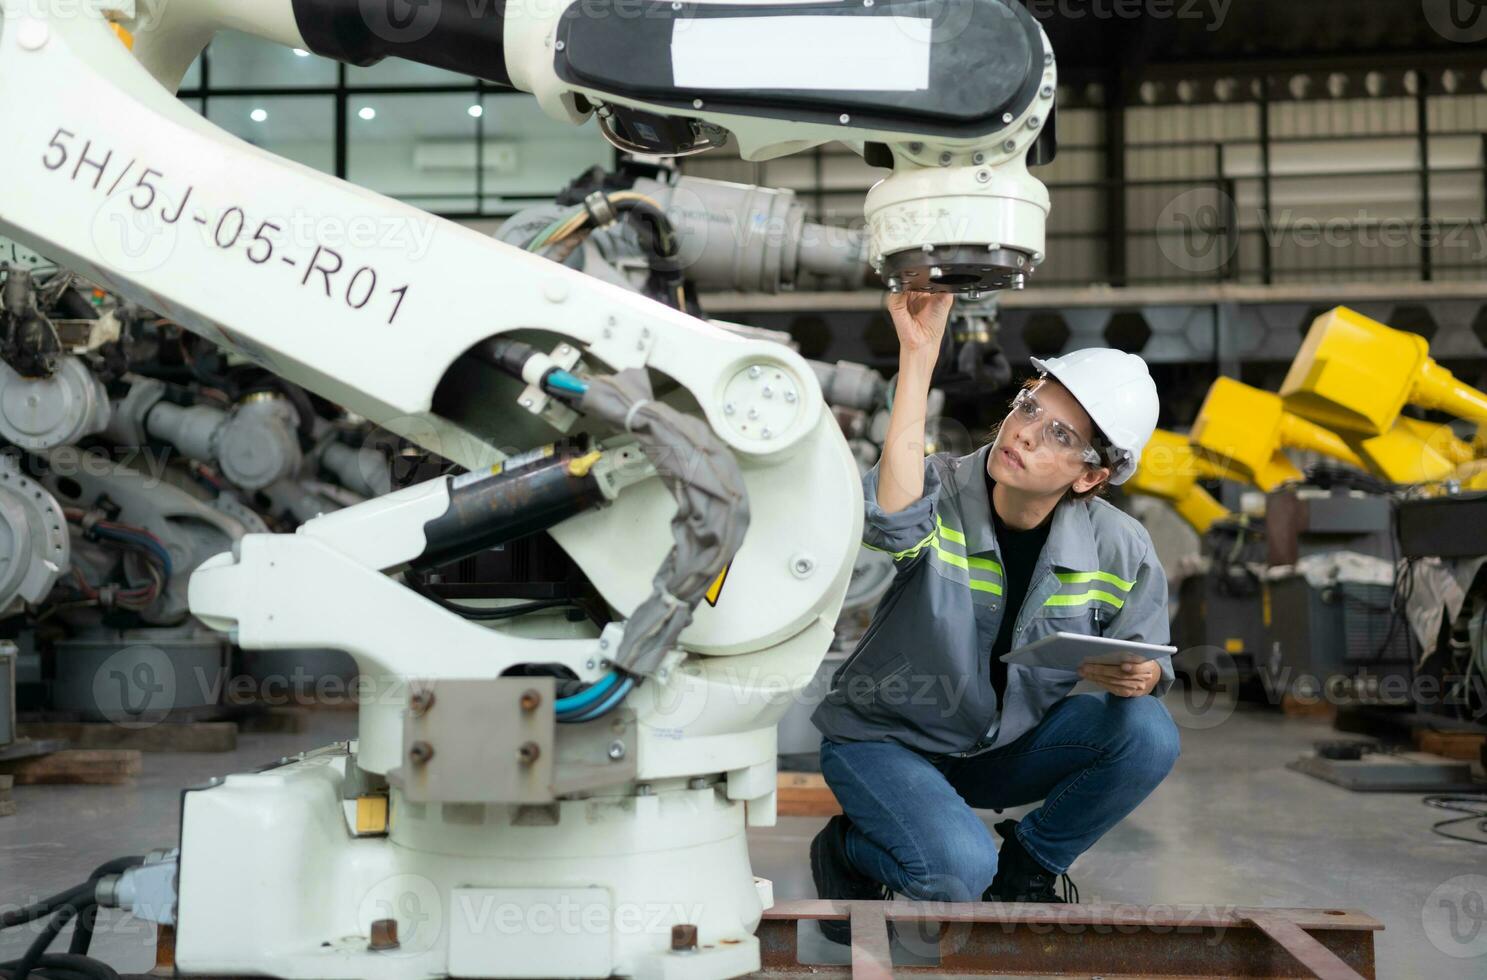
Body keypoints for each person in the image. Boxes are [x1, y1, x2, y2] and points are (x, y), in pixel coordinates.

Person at [807, 290, 1180, 944]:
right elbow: (892, 521)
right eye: (1029, 406)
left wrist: (1139, 674)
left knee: (1146, 733)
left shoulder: (1120, 546)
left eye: (1058, 435)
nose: (1025, 433)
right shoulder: (940, 488)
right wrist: (916, 360)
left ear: (1092, 476)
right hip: (885, 742)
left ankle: (1028, 866)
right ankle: (848, 850)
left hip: (997, 747)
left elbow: (1148, 657)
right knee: (955, 874)